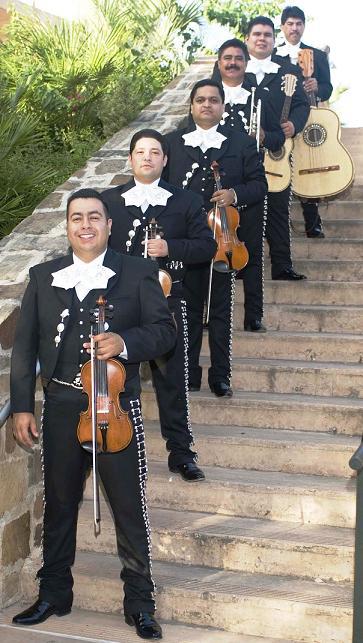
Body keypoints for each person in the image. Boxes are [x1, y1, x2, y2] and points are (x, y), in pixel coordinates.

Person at [10, 188, 177, 640]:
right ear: (67, 226)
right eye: (76, 218)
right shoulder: (44, 276)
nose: (85, 225)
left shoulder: (138, 272)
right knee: (59, 503)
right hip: (62, 406)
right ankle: (53, 594)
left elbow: (165, 332)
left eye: (94, 217)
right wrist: (22, 405)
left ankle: (140, 603)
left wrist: (124, 343)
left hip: (116, 407)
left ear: (108, 225)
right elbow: (24, 349)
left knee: (128, 506)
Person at [103, 128, 217, 482]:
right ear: (131, 158)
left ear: (165, 160)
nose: (148, 157)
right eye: (141, 151)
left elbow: (207, 248)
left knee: (172, 382)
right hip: (121, 307)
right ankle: (121, 452)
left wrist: (172, 249)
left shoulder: (185, 200)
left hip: (168, 304)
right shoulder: (109, 201)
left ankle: (181, 454)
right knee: (120, 380)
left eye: (155, 152)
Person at [164, 79, 268, 396]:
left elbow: (260, 185)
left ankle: (220, 376)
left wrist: (235, 193)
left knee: (221, 311)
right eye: (200, 100)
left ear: (223, 107)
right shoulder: (171, 143)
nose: (207, 104)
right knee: (189, 309)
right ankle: (190, 374)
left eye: (213, 100)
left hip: (225, 242)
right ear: (192, 106)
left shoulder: (240, 143)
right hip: (187, 242)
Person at [212, 38, 285, 332]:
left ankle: (253, 314)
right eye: (227, 58)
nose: (232, 63)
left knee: (252, 251)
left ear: (245, 64)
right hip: (216, 184)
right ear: (219, 63)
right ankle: (212, 314)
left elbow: (279, 136)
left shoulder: (258, 98)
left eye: (238, 58)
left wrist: (265, 135)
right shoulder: (210, 96)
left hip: (249, 182)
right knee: (214, 251)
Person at [245, 16, 310, 280]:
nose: (262, 39)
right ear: (247, 39)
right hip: (242, 152)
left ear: (274, 40)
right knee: (242, 209)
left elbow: (302, 104)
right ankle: (241, 264)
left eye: (267, 35)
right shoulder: (235, 68)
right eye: (257, 34)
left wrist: (293, 125)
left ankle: (282, 264)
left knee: (278, 208)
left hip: (276, 150)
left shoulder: (288, 69)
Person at [276, 5, 333, 238]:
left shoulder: (316, 55)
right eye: (290, 23)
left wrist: (318, 86)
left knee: (309, 165)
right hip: (280, 118)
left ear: (303, 27)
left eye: (298, 24)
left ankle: (312, 220)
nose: (294, 28)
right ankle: (278, 222)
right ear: (282, 27)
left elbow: (328, 89)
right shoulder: (273, 55)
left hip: (308, 118)